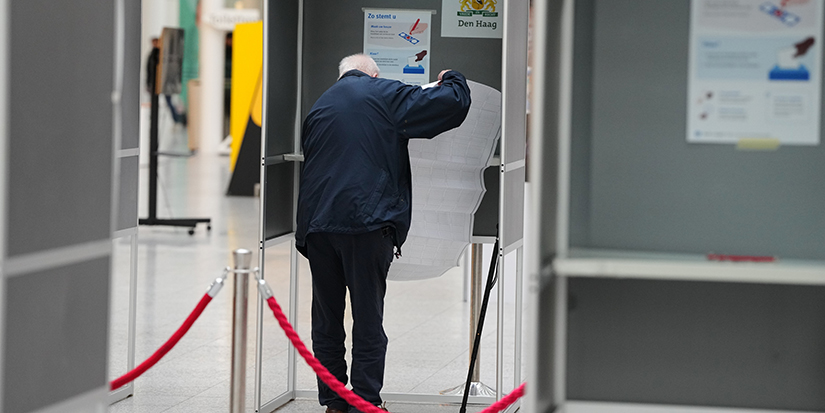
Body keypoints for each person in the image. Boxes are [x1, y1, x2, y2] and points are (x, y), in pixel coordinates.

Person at [295, 54, 471, 413]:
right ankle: (365, 402)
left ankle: (333, 402)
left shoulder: (320, 106)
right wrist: (452, 77)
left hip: (318, 227)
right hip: (365, 224)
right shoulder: (382, 93)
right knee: (367, 318)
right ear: (373, 75)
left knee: (326, 319)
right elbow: (452, 104)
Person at [146, 37, 182, 124]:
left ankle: (176, 118)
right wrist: (148, 83)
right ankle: (154, 117)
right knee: (156, 101)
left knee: (169, 101)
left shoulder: (163, 54)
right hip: (155, 82)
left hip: (165, 82)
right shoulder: (152, 55)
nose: (155, 44)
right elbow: (149, 70)